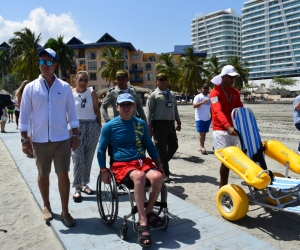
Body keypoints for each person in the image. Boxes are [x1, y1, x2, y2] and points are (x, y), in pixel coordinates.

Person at [19, 48, 79, 227]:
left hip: (61, 138)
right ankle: (46, 206)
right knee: (43, 175)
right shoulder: (30, 88)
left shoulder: (65, 87)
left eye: (48, 62)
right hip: (39, 140)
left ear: (55, 64)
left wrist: (74, 134)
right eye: (41, 62)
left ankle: (65, 211)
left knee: (63, 175)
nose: (44, 66)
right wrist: (24, 139)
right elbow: (24, 114)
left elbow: (72, 113)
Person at [97, 93, 164, 248]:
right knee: (139, 177)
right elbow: (101, 151)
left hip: (141, 161)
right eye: (123, 105)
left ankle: (147, 210)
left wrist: (159, 164)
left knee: (158, 177)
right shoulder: (109, 126)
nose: (126, 108)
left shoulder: (140, 124)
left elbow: (150, 145)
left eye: (129, 105)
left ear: (134, 107)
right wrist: (103, 170)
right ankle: (142, 220)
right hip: (121, 164)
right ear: (117, 107)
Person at [100, 69, 147, 166]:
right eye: (118, 79)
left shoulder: (133, 91)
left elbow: (139, 107)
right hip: (118, 126)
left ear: (127, 79)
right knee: (115, 151)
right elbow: (103, 107)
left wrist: (145, 121)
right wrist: (108, 120)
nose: (120, 81)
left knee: (137, 148)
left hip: (134, 125)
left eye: (123, 78)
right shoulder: (112, 92)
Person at [210, 65, 243, 188]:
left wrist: (245, 124)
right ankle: (222, 186)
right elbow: (218, 111)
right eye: (230, 77)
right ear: (223, 77)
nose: (232, 80)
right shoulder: (215, 92)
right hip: (220, 130)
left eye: (234, 78)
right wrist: (227, 126)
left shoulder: (235, 92)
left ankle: (224, 186)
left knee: (231, 160)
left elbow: (240, 109)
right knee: (226, 160)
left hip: (233, 130)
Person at [72, 70, 102, 202]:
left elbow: (97, 109)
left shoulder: (92, 92)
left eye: (85, 80)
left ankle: (84, 183)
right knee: (78, 157)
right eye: (81, 80)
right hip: (76, 127)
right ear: (75, 80)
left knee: (88, 157)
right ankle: (77, 188)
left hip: (92, 126)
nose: (83, 82)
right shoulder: (70, 93)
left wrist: (99, 126)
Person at [146, 72, 181, 183]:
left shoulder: (171, 94)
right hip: (159, 124)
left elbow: (175, 109)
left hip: (170, 123)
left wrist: (178, 121)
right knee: (161, 150)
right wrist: (149, 126)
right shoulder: (153, 95)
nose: (163, 81)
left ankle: (160, 163)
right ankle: (165, 173)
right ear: (156, 81)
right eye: (161, 79)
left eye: (165, 79)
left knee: (174, 146)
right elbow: (149, 111)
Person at [193, 83, 211, 154]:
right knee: (202, 133)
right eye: (204, 88)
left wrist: (212, 116)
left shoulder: (210, 97)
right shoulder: (198, 96)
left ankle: (201, 146)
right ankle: (202, 147)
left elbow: (211, 107)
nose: (205, 89)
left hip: (207, 118)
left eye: (207, 88)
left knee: (204, 133)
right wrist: (202, 102)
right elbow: (194, 106)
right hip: (199, 117)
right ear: (201, 88)